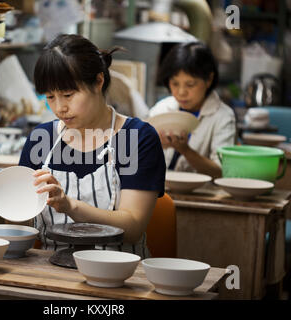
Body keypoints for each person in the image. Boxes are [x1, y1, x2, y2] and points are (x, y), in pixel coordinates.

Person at [19, 34, 166, 258]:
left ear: (98, 81)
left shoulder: (137, 137)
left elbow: (133, 227)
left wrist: (70, 206)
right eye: (50, 97)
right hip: (50, 271)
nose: (60, 108)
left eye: (68, 95)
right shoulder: (42, 139)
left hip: (120, 272)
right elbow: (20, 220)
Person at [149, 42, 236, 178]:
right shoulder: (161, 109)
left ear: (209, 79)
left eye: (190, 84)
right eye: (175, 83)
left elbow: (222, 172)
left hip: (203, 195)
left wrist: (185, 150)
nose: (181, 92)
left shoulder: (223, 116)